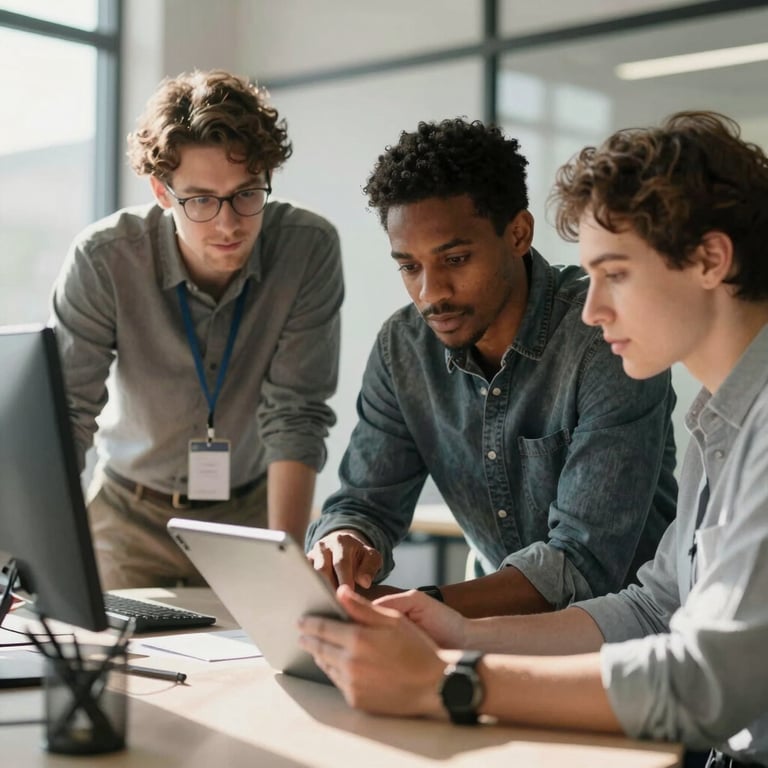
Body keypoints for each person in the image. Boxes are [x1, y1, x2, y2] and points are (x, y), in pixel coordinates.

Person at [299, 110, 768, 767]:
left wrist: (447, 680)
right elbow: (660, 606)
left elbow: (703, 684)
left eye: (617, 274)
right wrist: (458, 630)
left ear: (710, 260)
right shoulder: (721, 423)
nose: (594, 308)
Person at [306, 117, 677, 618]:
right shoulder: (404, 349)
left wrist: (417, 608)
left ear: (519, 234)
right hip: (484, 632)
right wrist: (343, 539)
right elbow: (365, 502)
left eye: (455, 259)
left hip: (628, 642)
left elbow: (582, 562)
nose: (430, 293)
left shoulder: (607, 335)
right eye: (409, 266)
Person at [51, 70, 343, 589]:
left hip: (251, 517)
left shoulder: (307, 248)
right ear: (162, 192)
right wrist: (36, 558)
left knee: (262, 661)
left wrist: (284, 571)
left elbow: (296, 415)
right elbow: (67, 417)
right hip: (129, 517)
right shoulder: (105, 259)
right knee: (116, 665)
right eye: (201, 200)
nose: (229, 224)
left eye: (247, 193)